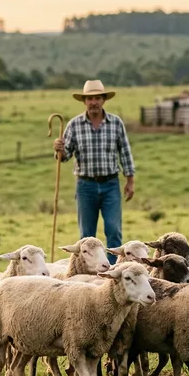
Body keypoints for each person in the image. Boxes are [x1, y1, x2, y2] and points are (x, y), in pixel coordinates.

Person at [53, 79, 135, 265]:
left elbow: (125, 153)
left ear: (103, 100)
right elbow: (64, 157)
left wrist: (130, 181)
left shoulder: (115, 123)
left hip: (110, 184)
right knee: (86, 234)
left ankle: (113, 269)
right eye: (90, 99)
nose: (94, 102)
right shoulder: (74, 125)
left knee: (113, 230)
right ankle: (88, 270)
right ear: (84, 101)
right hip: (85, 185)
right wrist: (59, 149)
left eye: (97, 98)